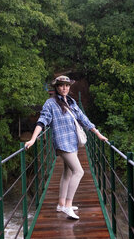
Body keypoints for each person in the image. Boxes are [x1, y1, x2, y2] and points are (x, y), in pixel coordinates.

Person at [25, 75, 107, 220]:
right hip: (62, 142)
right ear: (56, 87)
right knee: (79, 171)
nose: (65, 88)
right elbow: (42, 120)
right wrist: (33, 139)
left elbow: (83, 118)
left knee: (68, 173)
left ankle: (61, 204)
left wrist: (98, 134)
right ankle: (68, 206)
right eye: (61, 85)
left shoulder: (71, 101)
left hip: (73, 141)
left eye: (67, 85)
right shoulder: (50, 103)